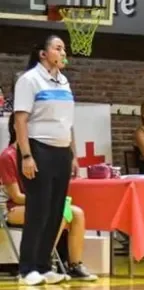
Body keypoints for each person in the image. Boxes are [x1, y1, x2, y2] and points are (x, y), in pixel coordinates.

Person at [12, 35, 78, 286]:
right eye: (57, 48)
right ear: (43, 53)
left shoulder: (64, 81)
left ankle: (43, 265)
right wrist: (26, 155)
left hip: (62, 152)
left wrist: (73, 155)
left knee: (55, 210)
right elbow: (20, 121)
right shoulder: (29, 80)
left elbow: (68, 123)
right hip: (38, 149)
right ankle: (26, 268)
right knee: (38, 210)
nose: (63, 52)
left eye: (64, 48)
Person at [1, 114, 96, 280]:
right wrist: (44, 199)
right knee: (50, 212)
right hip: (11, 208)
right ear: (17, 127)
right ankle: (42, 261)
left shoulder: (40, 154)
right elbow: (15, 196)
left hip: (35, 203)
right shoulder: (7, 156)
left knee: (76, 213)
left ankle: (74, 265)